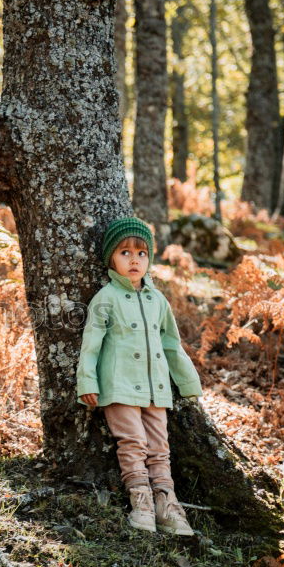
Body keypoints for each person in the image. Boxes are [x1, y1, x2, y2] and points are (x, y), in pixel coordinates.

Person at [76, 216, 202, 536]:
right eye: (125, 253)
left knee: (160, 448)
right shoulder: (106, 298)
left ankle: (167, 506)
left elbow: (172, 344)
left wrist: (188, 383)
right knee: (133, 443)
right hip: (118, 386)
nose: (134, 260)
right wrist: (88, 382)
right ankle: (141, 504)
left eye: (142, 253)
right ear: (111, 259)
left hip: (155, 387)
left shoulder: (157, 299)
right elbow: (91, 345)